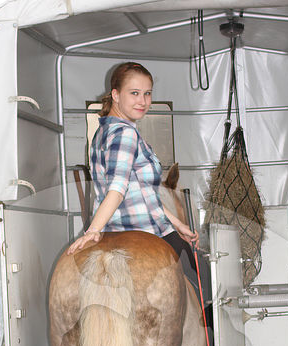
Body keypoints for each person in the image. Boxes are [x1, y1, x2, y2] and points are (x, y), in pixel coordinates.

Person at [67, 62, 201, 293]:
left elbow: (142, 192)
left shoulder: (102, 131)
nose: (143, 101)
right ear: (116, 95)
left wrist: (178, 224)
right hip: (145, 231)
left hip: (113, 229)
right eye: (135, 93)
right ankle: (209, 324)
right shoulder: (126, 133)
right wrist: (91, 233)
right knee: (204, 281)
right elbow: (117, 189)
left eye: (147, 94)